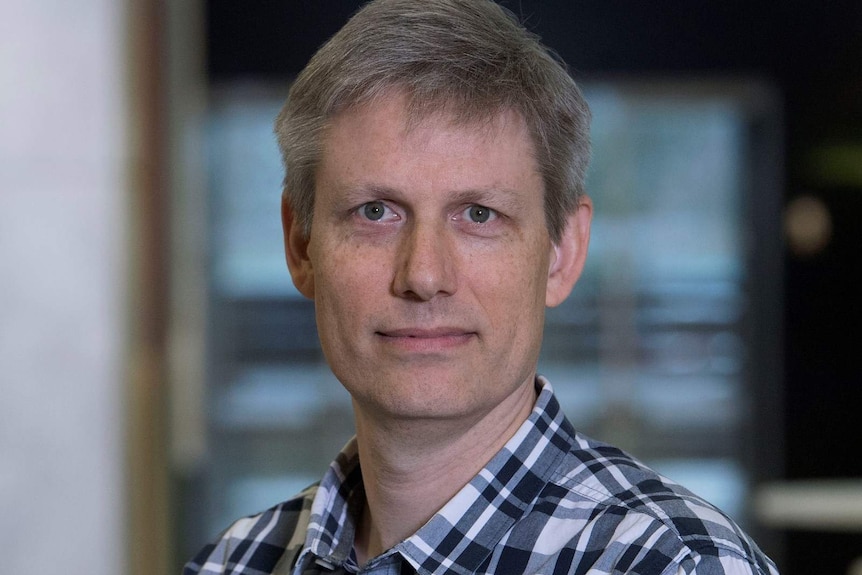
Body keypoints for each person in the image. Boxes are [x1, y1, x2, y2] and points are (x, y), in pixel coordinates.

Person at [185, 0, 779, 573]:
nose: (423, 276)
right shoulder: (233, 563)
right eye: (374, 213)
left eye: (478, 215)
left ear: (561, 253)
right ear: (300, 245)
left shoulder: (675, 566)